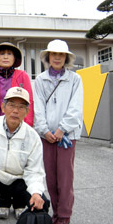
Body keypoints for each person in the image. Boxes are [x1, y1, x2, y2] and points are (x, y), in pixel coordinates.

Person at [0, 87, 49, 224]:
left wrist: (35, 192)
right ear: (3, 107)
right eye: (11, 105)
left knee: (42, 203)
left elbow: (34, 170)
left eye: (21, 107)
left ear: (27, 112)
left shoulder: (32, 137)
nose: (15, 111)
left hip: (20, 180)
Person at [33, 39, 83, 224]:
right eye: (53, 54)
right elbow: (37, 107)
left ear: (66, 58)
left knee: (65, 179)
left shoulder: (75, 79)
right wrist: (44, 130)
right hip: (46, 137)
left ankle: (64, 218)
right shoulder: (40, 79)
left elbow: (76, 108)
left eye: (61, 54)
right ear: (48, 57)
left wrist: (62, 129)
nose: (57, 57)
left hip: (67, 137)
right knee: (51, 179)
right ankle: (55, 215)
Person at [0, 42, 34, 219]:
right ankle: (4, 202)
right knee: (1, 165)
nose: (6, 56)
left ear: (15, 58)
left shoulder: (22, 75)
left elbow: (29, 101)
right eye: (2, 54)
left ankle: (20, 202)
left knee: (20, 165)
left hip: (19, 126)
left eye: (9, 54)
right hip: (0, 128)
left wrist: (27, 127)